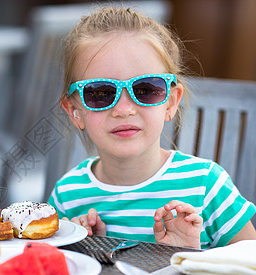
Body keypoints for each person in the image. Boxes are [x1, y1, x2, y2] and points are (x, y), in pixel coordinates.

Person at [48, 6, 256, 249]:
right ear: (75, 111)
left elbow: (250, 267)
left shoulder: (207, 186)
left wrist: (190, 255)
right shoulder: (67, 196)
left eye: (146, 89)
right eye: (100, 93)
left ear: (171, 102)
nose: (124, 109)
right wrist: (84, 249)